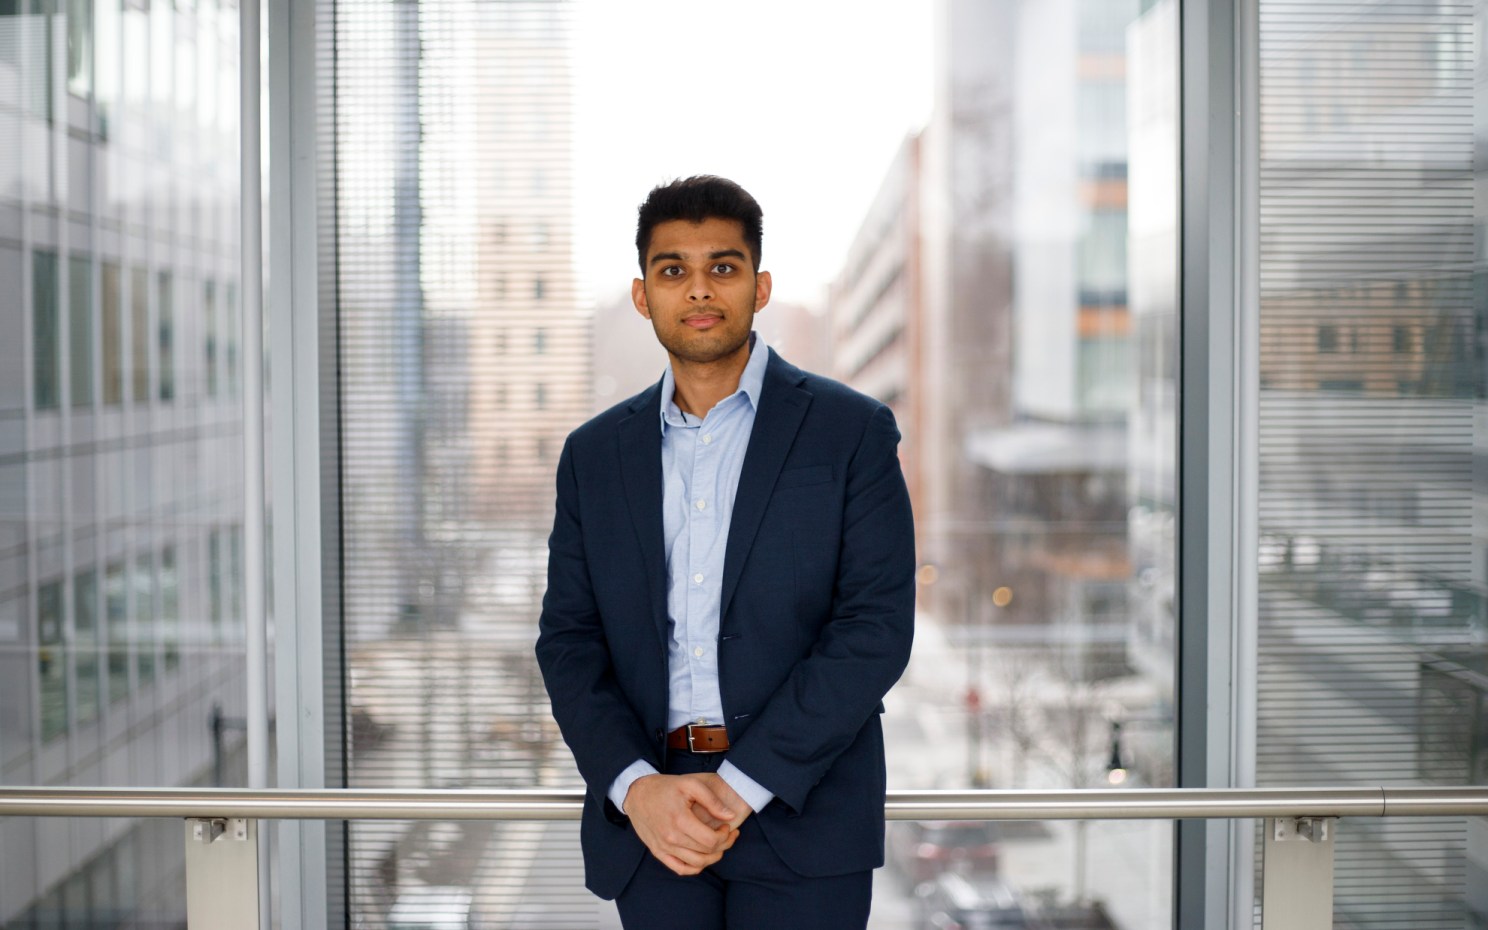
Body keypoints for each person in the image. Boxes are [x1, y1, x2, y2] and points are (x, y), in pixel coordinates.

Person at [535, 175, 916, 929]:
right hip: (656, 821)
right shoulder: (593, 456)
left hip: (803, 808)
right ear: (643, 295)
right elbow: (570, 642)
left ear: (760, 286)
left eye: (724, 266)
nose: (699, 289)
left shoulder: (852, 433)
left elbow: (874, 628)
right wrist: (635, 786)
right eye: (673, 270)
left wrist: (743, 783)